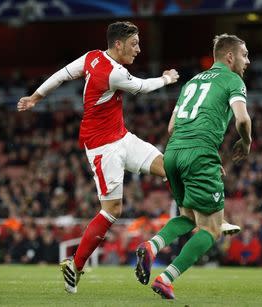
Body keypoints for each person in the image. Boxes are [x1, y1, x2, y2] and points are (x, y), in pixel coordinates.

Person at [17, 21, 179, 293]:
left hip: (122, 136)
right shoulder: (113, 72)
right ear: (118, 44)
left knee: (168, 167)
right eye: (134, 44)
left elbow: (61, 74)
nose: (138, 49)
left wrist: (36, 96)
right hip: (103, 148)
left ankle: (194, 224)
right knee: (112, 210)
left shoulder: (92, 57)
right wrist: (167, 78)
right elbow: (141, 87)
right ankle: (75, 266)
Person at [135, 34, 252, 299]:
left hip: (173, 153)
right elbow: (243, 120)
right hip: (198, 154)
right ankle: (166, 278)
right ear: (230, 57)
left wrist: (204, 155)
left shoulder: (192, 82)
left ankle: (153, 246)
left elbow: (171, 127)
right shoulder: (233, 80)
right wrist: (246, 143)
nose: (248, 60)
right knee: (211, 227)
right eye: (244, 55)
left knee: (189, 217)